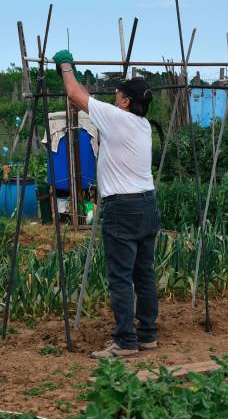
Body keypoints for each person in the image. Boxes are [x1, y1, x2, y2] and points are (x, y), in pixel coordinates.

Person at [53, 50, 160, 358]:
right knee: (144, 273)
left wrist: (65, 65)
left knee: (120, 277)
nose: (114, 99)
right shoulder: (144, 125)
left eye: (117, 95)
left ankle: (126, 341)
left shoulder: (117, 119)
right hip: (146, 203)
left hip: (122, 207)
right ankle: (148, 334)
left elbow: (74, 94)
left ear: (126, 101)